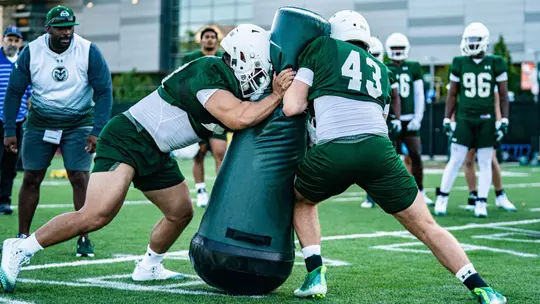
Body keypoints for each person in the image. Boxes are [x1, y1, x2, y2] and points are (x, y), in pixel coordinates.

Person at [0, 23, 295, 293]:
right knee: (96, 214)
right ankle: (21, 248)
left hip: (156, 148)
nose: (262, 74)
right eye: (261, 66)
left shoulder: (231, 84)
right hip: (129, 136)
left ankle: (149, 266)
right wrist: (276, 95)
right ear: (244, 57)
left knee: (180, 211)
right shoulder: (211, 71)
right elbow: (239, 117)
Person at [282, 10, 506, 303]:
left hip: (333, 150)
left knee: (301, 200)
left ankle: (315, 274)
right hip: (379, 151)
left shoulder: (321, 48)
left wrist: (283, 91)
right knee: (427, 227)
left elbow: (291, 107)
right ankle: (482, 287)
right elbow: (381, 117)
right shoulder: (380, 67)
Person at [2, 5, 112, 257]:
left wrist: (97, 130)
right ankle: (21, 238)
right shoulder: (31, 51)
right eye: (61, 27)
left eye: (70, 27)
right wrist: (9, 129)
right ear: (48, 28)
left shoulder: (88, 50)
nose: (67, 32)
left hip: (78, 122)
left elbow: (104, 92)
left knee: (79, 177)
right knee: (31, 178)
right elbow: (14, 91)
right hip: (40, 122)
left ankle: (84, 237)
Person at [435, 22, 510, 218]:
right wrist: (446, 118)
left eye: (476, 40)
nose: (472, 43)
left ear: (484, 41)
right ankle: (442, 197)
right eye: (470, 39)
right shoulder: (459, 62)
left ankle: (481, 202)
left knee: (485, 161)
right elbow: (452, 94)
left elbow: (502, 96)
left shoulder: (496, 62)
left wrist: (504, 120)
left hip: (486, 118)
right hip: (465, 118)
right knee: (456, 159)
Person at [384, 33, 433, 205]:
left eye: (400, 49)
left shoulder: (413, 67)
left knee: (416, 155)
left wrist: (418, 117)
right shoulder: (384, 66)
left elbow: (419, 94)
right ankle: (394, 191)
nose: (398, 52)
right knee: (392, 157)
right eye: (395, 49)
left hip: (410, 118)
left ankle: (420, 189)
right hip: (392, 119)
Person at [183, 27, 227, 208]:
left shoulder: (224, 57)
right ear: (201, 40)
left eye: (212, 37)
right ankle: (201, 191)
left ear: (216, 40)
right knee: (199, 153)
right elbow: (183, 82)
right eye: (206, 37)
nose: (209, 40)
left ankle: (220, 193)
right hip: (197, 112)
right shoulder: (189, 58)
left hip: (218, 112)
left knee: (221, 152)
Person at [361, 36, 401, 209]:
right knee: (370, 162)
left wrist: (397, 118)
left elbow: (394, 98)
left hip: (383, 120)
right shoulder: (361, 70)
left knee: (386, 160)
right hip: (371, 121)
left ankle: (389, 193)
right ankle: (371, 196)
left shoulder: (385, 71)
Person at [0, 26, 31, 215]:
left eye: (15, 40)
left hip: (19, 120)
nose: (12, 43)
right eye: (9, 39)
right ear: (3, 40)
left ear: (20, 43)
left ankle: (4, 200)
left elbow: (30, 90)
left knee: (10, 163)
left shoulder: (24, 62)